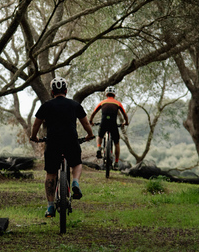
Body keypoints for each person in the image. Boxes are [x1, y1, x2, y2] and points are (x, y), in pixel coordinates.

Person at [30, 77, 95, 218]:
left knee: (51, 173)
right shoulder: (75, 105)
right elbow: (85, 124)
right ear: (66, 90)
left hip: (53, 142)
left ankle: (50, 207)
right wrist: (90, 135)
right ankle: (75, 182)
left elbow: (36, 124)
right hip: (71, 140)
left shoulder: (46, 105)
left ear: (52, 92)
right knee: (76, 163)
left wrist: (34, 136)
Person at [89, 86, 128, 167]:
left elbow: (93, 113)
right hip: (113, 124)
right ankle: (116, 163)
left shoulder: (102, 102)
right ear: (114, 94)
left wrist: (91, 121)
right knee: (116, 143)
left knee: (99, 136)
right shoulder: (118, 103)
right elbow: (124, 114)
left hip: (104, 122)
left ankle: (99, 147)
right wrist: (126, 122)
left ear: (106, 94)